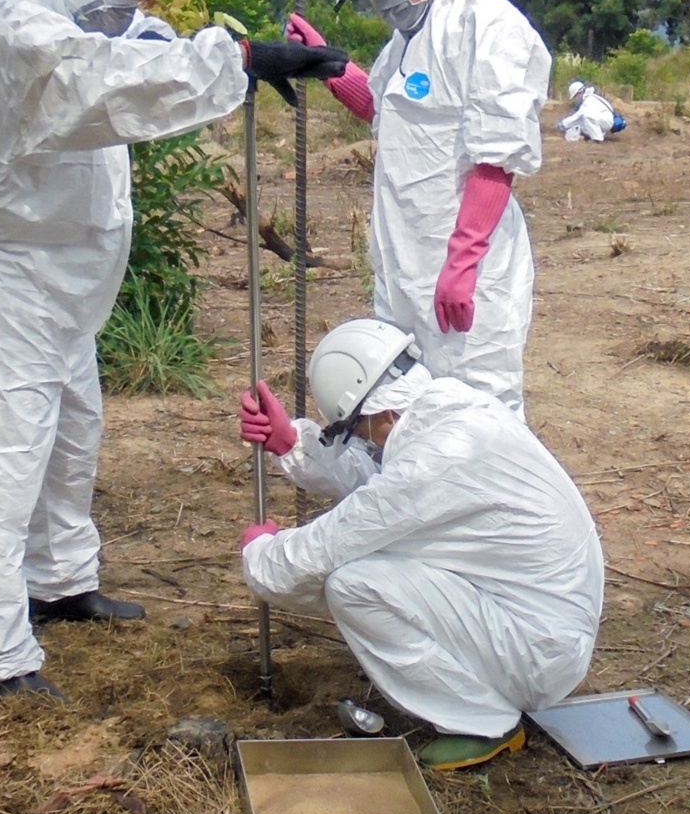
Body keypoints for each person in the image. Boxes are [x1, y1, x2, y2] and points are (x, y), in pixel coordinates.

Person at [0, 0, 347, 701]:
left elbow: (146, 51)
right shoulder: (17, 26)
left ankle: (60, 583)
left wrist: (229, 58)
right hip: (7, 293)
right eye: (125, 1)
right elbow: (103, 76)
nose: (134, 15)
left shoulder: (90, 12)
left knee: (70, 444)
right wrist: (235, 61)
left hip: (67, 294)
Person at [237, 320, 604, 769]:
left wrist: (262, 553)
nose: (364, 442)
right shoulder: (451, 412)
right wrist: (295, 445)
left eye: (360, 432)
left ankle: (483, 722)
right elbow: (383, 485)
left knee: (352, 583)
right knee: (371, 559)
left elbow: (335, 540)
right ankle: (484, 694)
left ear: (385, 415)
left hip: (536, 653)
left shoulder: (438, 457)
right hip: (540, 624)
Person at [287, 0, 552, 420]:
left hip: (466, 266)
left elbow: (497, 154)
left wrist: (463, 260)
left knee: (480, 407)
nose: (381, 2)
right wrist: (329, 65)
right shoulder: (407, 39)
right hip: (406, 261)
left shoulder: (484, 26)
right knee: (412, 407)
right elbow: (388, 111)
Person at [559, 80, 625, 142]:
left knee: (587, 116)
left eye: (575, 96)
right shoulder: (590, 97)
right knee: (582, 122)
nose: (576, 98)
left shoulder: (589, 100)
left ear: (579, 93)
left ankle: (597, 139)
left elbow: (578, 115)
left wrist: (564, 123)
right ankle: (594, 135)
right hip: (603, 119)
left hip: (607, 121)